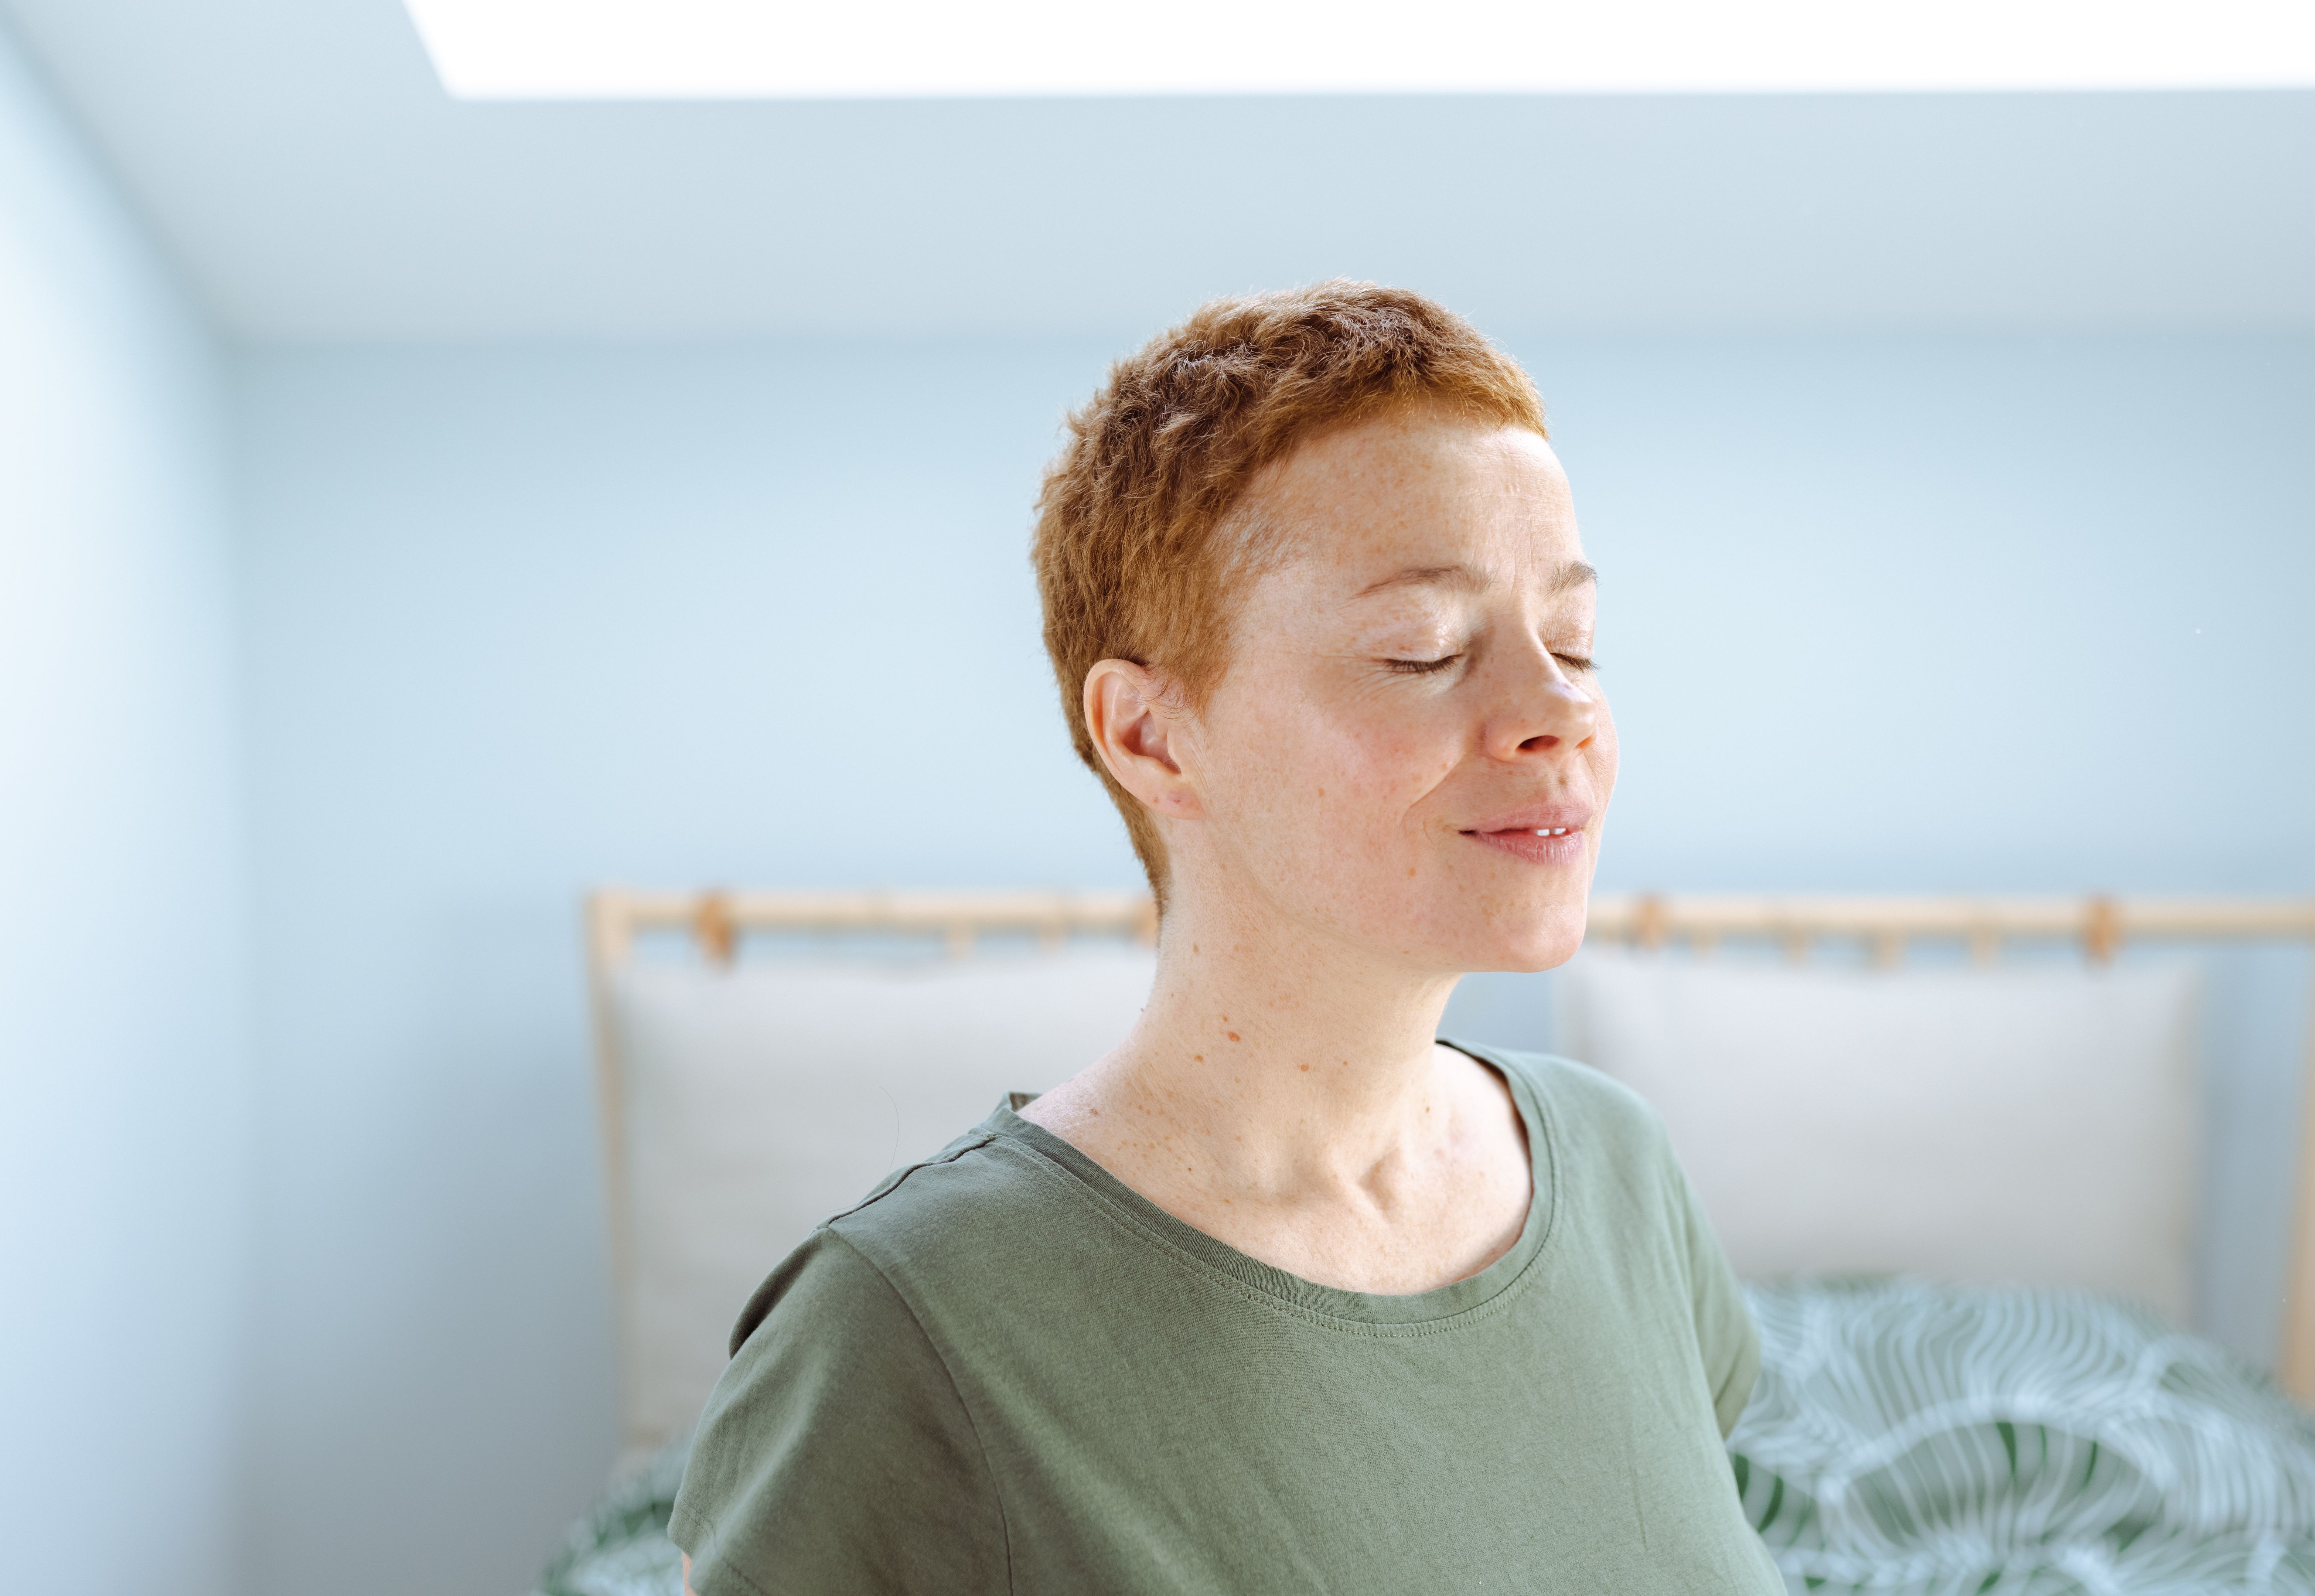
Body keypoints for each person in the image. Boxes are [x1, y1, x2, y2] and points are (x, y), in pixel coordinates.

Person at [669, 281, 1780, 1594]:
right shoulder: (908, 1332)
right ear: (1151, 735)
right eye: (1424, 649)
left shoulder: (1617, 1173)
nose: (1560, 712)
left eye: (1575, 641)